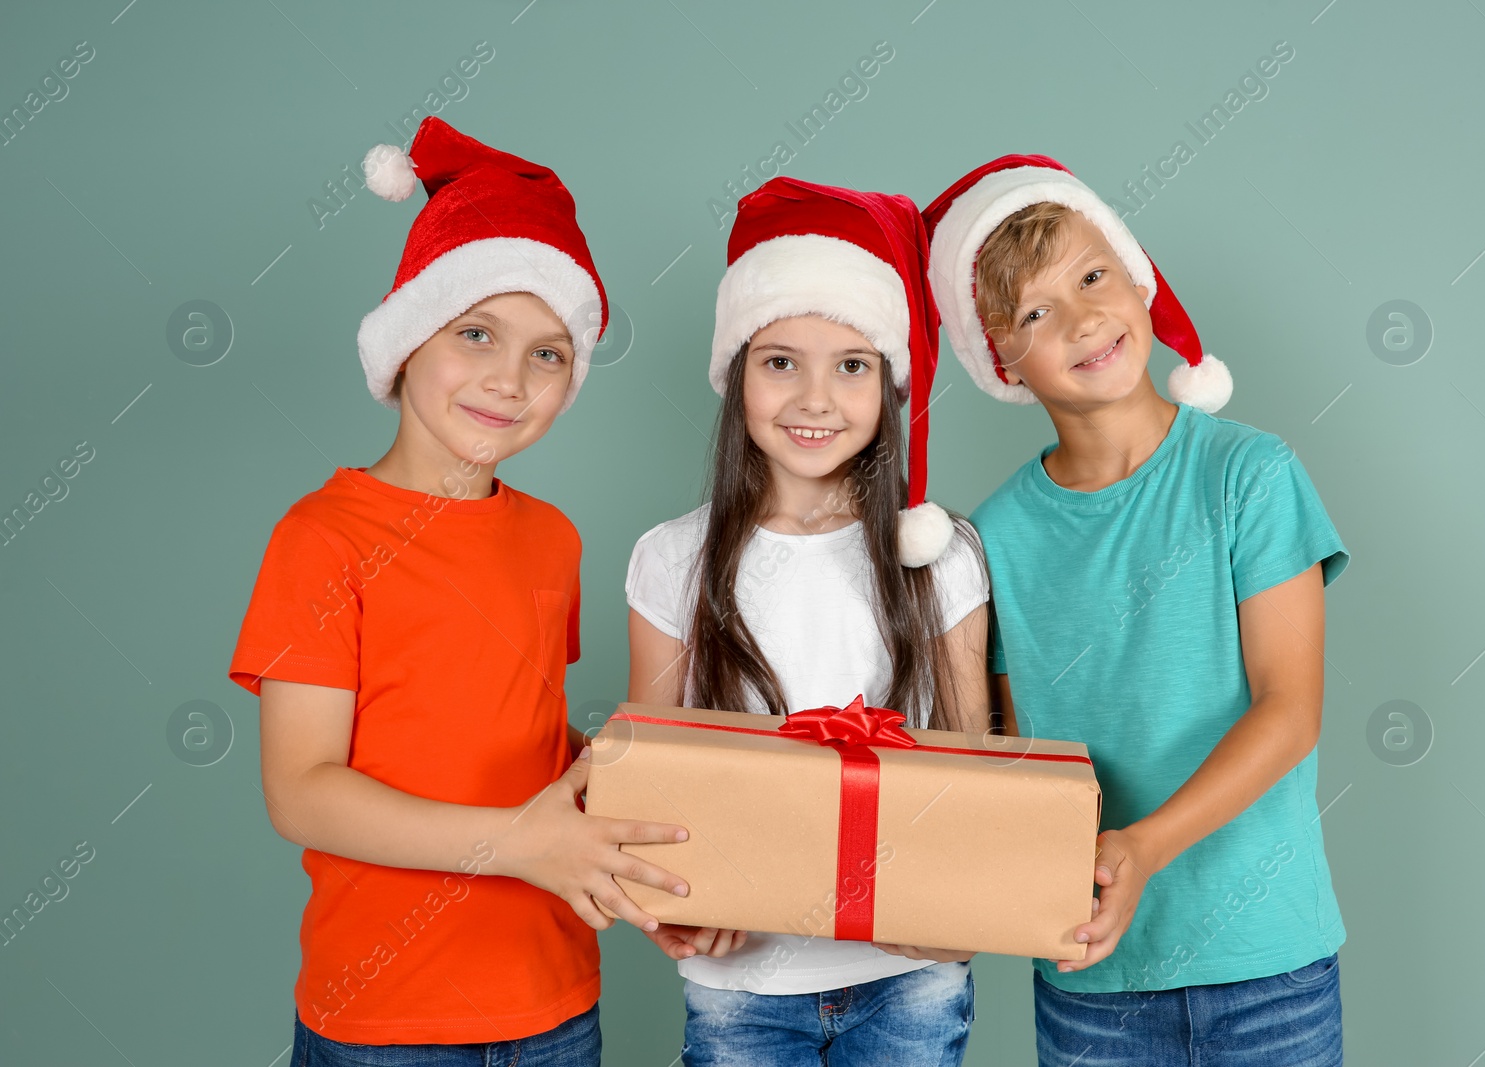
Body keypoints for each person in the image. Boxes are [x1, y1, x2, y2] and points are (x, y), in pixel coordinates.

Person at [227, 116, 689, 1067]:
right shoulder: (321, 539)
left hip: (555, 1004)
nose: (507, 380)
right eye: (475, 333)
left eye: (548, 354)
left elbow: (528, 742)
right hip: (387, 1017)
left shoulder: (551, 538)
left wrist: (626, 857)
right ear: (404, 345)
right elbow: (302, 792)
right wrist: (524, 844)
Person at [923, 154, 1349, 1066]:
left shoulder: (1249, 475)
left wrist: (1143, 847)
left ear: (1138, 279)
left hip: (1268, 964)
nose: (1080, 319)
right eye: (1036, 312)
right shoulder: (991, 535)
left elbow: (1290, 708)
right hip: (1092, 982)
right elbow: (1006, 748)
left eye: (1091, 277)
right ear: (1000, 356)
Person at [625, 177, 990, 1066]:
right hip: (743, 984)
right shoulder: (672, 558)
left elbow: (976, 758)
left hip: (909, 973)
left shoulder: (938, 556)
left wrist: (965, 911)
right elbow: (650, 769)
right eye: (781, 360)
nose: (814, 397)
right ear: (736, 374)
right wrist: (666, 911)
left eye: (852, 364)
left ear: (889, 385)